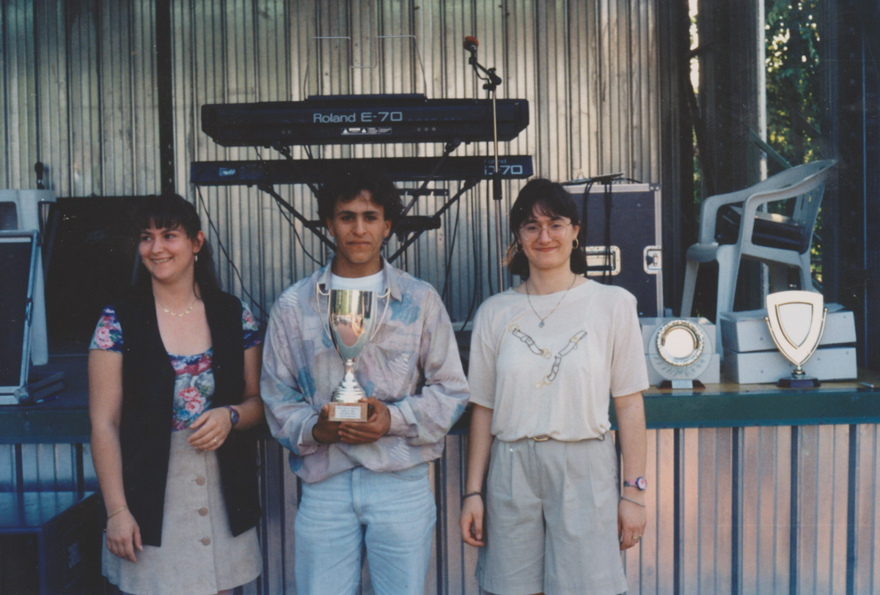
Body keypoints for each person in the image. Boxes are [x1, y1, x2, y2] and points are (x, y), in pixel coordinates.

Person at [261, 167, 469, 595]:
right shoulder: (293, 304)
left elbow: (452, 390)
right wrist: (315, 428)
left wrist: (391, 419)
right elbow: (276, 397)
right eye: (346, 216)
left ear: (387, 225)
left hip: (401, 482)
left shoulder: (420, 299)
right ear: (329, 224)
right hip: (324, 484)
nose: (358, 228)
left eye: (370, 217)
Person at [459, 178, 649, 595]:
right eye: (531, 226)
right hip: (511, 469)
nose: (544, 236)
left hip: (585, 465)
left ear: (576, 231)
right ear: (518, 237)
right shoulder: (495, 312)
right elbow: (483, 409)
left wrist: (633, 493)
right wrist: (473, 492)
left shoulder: (613, 304)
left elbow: (630, 405)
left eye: (556, 224)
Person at [89, 194, 264, 595]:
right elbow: (104, 423)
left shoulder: (233, 314)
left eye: (169, 235)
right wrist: (117, 510)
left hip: (223, 489)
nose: (156, 248)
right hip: (149, 495)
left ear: (197, 243)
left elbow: (259, 404)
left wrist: (230, 416)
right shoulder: (117, 319)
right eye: (146, 238)